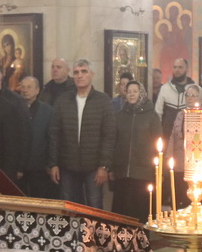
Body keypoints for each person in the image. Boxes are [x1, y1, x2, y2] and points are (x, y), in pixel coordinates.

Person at [48, 58, 115, 209]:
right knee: (69, 207)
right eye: (76, 72)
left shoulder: (103, 101)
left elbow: (109, 135)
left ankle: (94, 227)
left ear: (92, 74)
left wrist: (104, 166)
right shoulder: (63, 100)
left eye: (84, 71)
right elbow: (54, 134)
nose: (80, 75)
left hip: (94, 166)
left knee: (94, 206)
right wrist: (53, 163)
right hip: (68, 165)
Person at [110, 80, 161, 221]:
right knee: (123, 212)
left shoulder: (152, 116)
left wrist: (157, 168)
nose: (131, 94)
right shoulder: (120, 115)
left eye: (135, 91)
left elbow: (158, 143)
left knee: (141, 210)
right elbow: (114, 141)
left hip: (143, 172)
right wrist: (112, 167)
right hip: (122, 172)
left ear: (141, 93)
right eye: (129, 92)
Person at [165, 84, 202, 208]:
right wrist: (169, 155)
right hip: (180, 161)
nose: (189, 98)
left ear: (200, 97)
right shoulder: (181, 114)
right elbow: (173, 136)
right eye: (187, 95)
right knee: (179, 194)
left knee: (195, 197)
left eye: (193, 95)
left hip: (198, 163)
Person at [15, 76, 58, 199]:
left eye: (29, 87)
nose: (25, 90)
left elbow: (52, 139)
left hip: (40, 167)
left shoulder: (48, 111)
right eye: (23, 87)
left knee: (40, 200)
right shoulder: (13, 109)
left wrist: (51, 163)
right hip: (18, 166)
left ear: (37, 90)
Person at [155, 58, 190, 139]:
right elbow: (158, 112)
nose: (177, 70)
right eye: (175, 67)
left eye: (180, 67)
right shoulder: (165, 88)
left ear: (186, 69)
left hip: (187, 133)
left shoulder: (194, 88)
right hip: (167, 133)